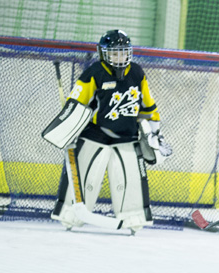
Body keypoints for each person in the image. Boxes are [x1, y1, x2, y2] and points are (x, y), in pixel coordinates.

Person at [44, 29, 169, 233]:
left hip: (127, 137)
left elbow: (148, 105)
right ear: (104, 53)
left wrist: (154, 131)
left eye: (123, 52)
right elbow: (76, 102)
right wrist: (67, 127)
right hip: (95, 134)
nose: (120, 57)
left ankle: (132, 217)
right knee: (86, 174)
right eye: (115, 53)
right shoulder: (95, 73)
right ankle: (70, 213)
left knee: (130, 178)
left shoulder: (137, 73)